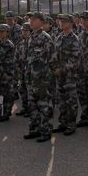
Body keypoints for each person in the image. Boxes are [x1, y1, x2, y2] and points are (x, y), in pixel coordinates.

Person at [24, 12, 56, 143]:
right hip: (32, 77)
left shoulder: (45, 38)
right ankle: (34, 129)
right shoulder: (32, 36)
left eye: (34, 20)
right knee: (32, 104)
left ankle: (46, 131)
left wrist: (48, 77)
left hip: (42, 78)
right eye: (30, 19)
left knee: (44, 105)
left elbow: (52, 58)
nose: (31, 22)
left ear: (41, 22)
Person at [53, 14, 81, 135]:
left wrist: (62, 69)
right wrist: (55, 68)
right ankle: (63, 123)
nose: (61, 23)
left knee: (71, 101)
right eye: (61, 21)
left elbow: (75, 59)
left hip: (70, 76)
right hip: (60, 75)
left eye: (64, 21)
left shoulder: (74, 39)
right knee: (61, 100)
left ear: (70, 23)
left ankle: (71, 125)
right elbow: (55, 55)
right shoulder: (59, 37)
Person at [0, 24, 16, 122]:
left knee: (7, 93)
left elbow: (9, 61)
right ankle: (1, 112)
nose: (0, 33)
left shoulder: (9, 45)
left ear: (7, 33)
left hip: (7, 73)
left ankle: (6, 113)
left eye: (2, 31)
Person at [14, 23, 31, 117]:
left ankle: (30, 109)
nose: (24, 32)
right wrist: (17, 69)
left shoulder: (33, 43)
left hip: (30, 72)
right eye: (23, 31)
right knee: (22, 90)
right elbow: (16, 57)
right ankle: (25, 108)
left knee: (30, 92)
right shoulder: (20, 43)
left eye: (26, 31)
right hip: (22, 71)